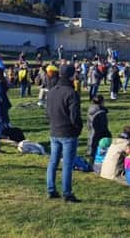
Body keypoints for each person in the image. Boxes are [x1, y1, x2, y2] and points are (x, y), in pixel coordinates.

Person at [46, 64, 83, 203]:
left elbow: (47, 112)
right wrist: (78, 128)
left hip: (54, 129)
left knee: (53, 162)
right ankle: (67, 193)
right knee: (67, 163)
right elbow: (74, 116)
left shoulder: (51, 91)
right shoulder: (71, 93)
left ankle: (51, 189)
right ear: (72, 76)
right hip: (68, 132)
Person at [86, 95, 111, 165]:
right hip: (99, 134)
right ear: (102, 102)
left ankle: (90, 161)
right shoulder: (101, 113)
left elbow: (88, 123)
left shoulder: (90, 109)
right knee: (99, 148)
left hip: (91, 131)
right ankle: (97, 163)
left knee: (91, 147)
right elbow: (103, 126)